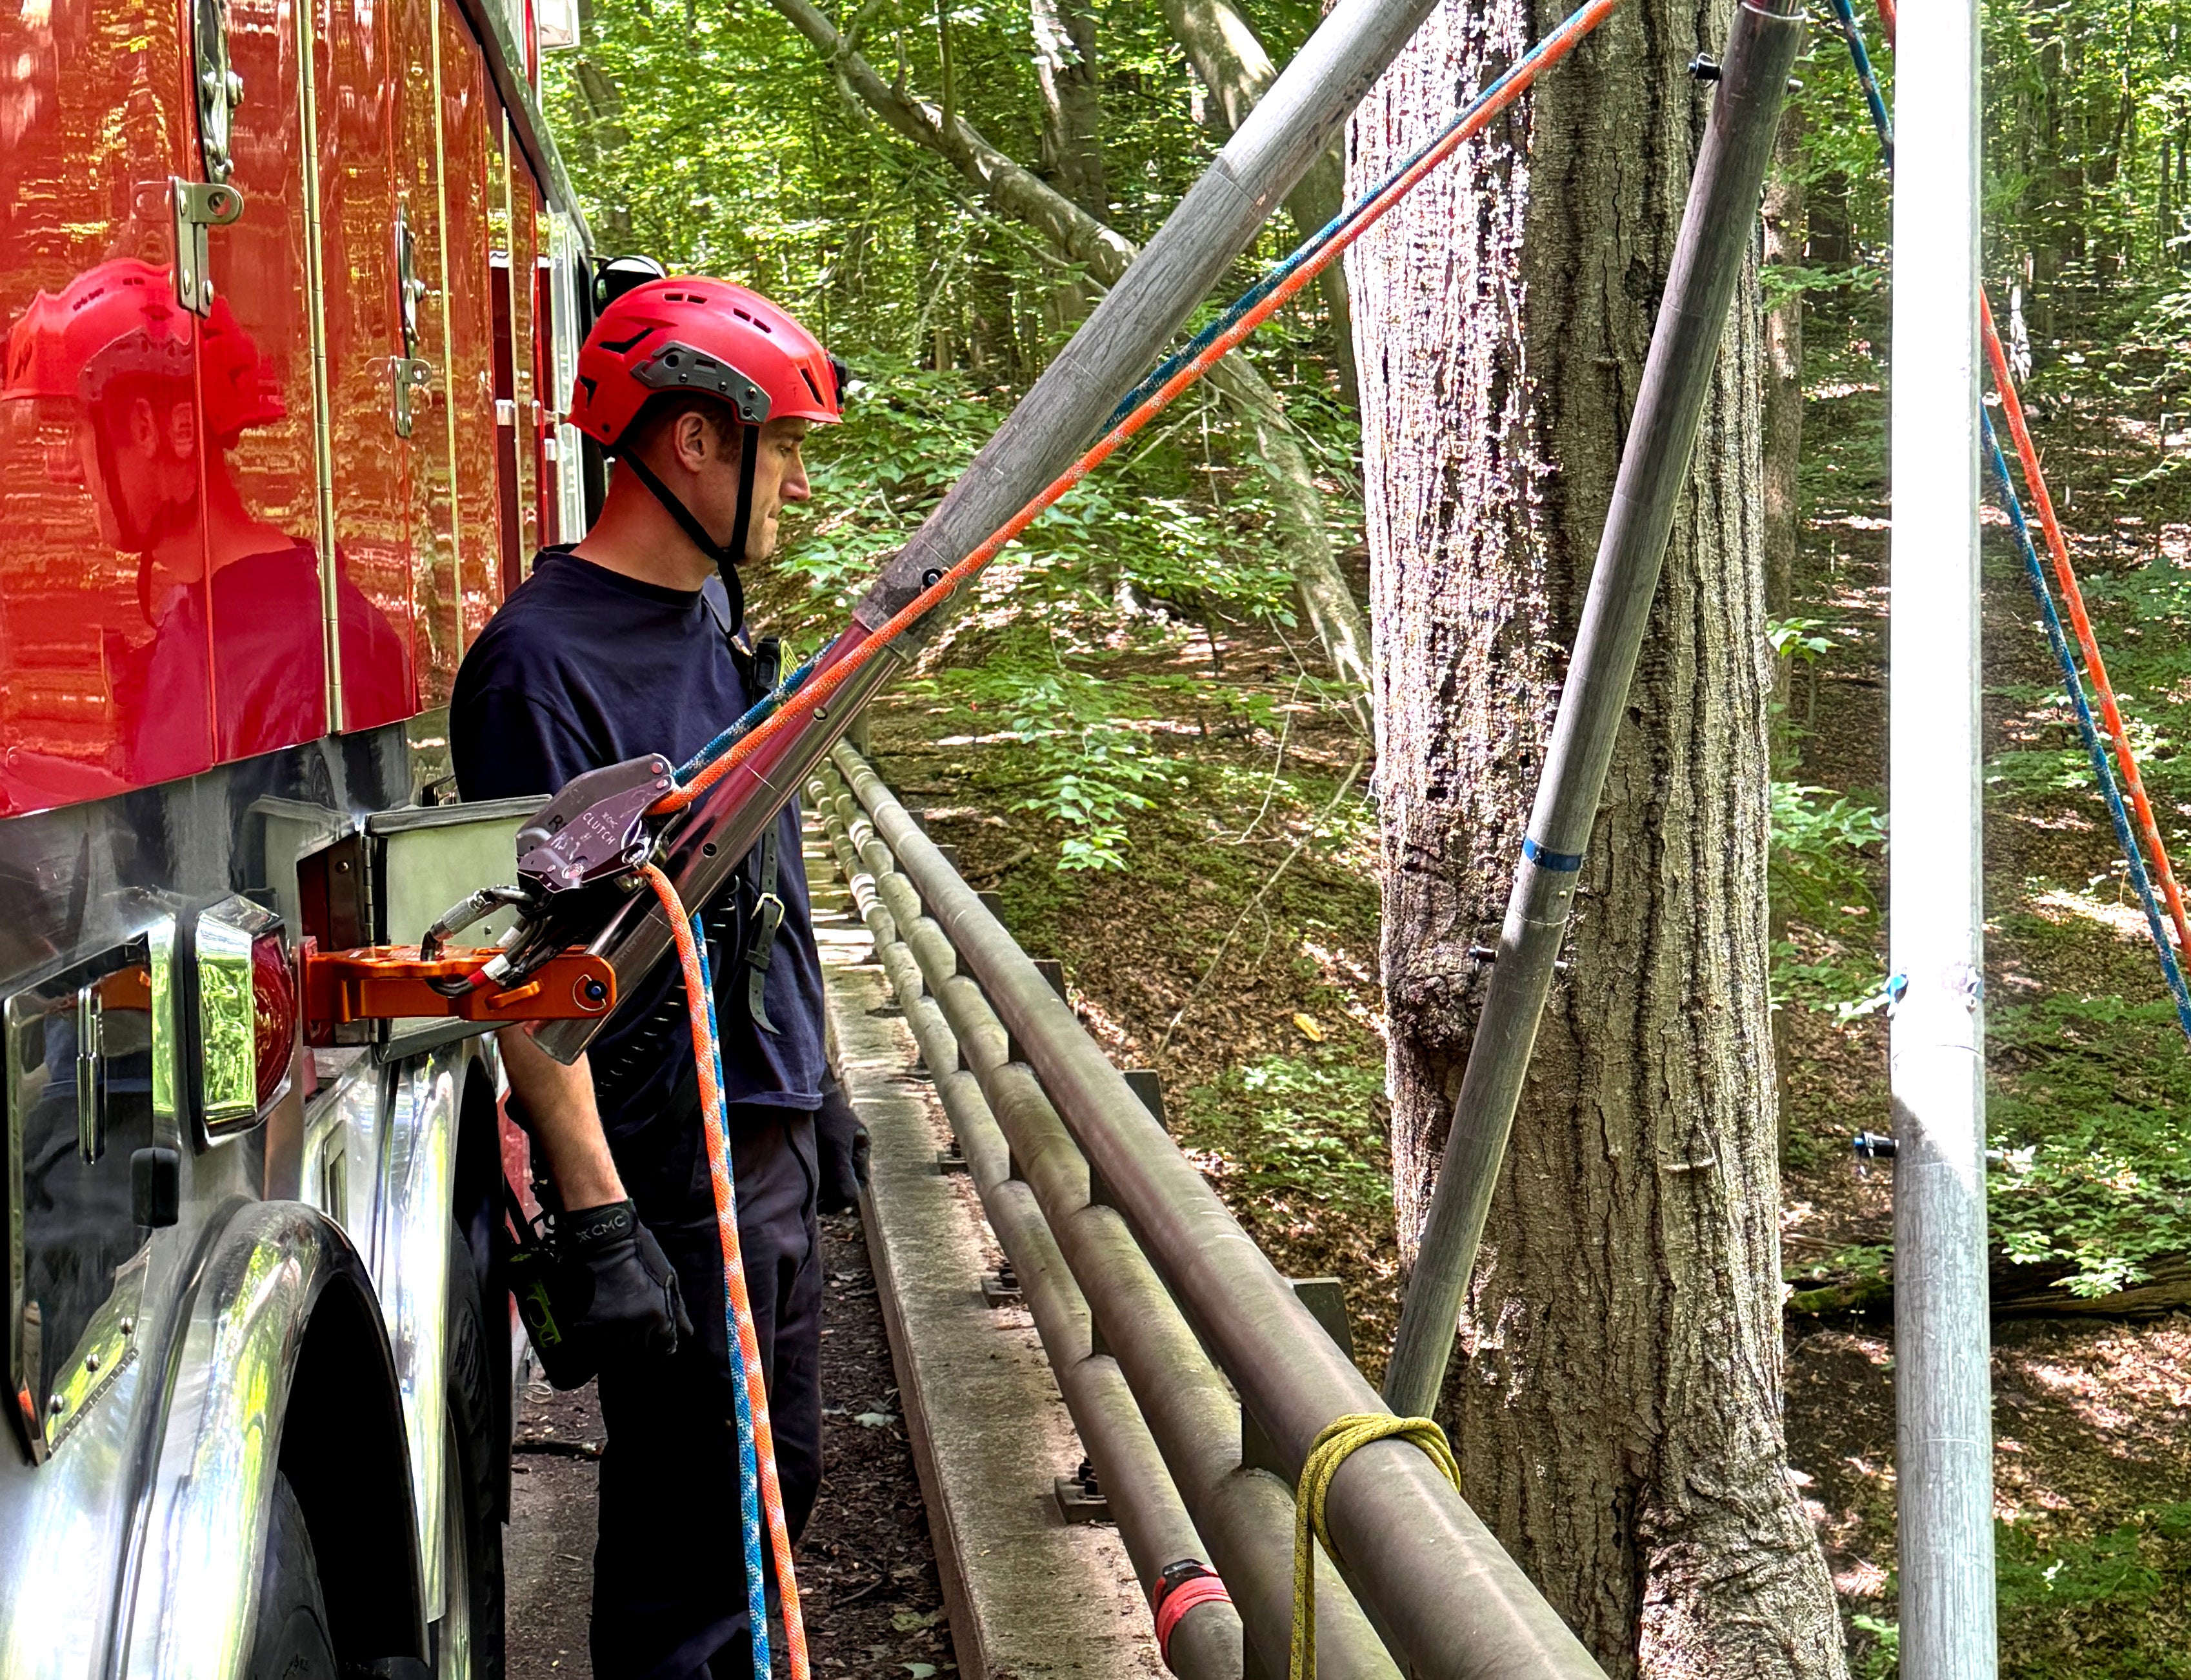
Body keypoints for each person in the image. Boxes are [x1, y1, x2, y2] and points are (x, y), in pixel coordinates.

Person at [450, 274, 845, 1679]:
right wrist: (603, 1221)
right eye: (779, 448)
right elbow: (532, 971)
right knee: (694, 1543)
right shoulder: (539, 669)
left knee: (775, 1493)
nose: (792, 483)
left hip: (762, 1129)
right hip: (667, 1161)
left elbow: (764, 888)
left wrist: (821, 1094)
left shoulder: (713, 626)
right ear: (692, 443)